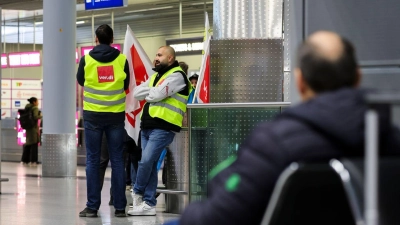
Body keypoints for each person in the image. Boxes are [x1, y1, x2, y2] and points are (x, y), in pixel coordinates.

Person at [165, 31, 400, 225]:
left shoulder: (274, 144)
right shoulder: (389, 139)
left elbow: (216, 217)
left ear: (300, 82)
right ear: (357, 78)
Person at [128, 46, 192, 216]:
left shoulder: (177, 76)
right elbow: (137, 92)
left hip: (164, 127)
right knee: (149, 164)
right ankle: (149, 204)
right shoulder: (157, 76)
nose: (155, 58)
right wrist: (153, 91)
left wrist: (152, 92)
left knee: (146, 161)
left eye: (159, 55)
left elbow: (154, 96)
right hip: (147, 126)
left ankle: (137, 190)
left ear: (170, 58)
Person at [76, 24, 130, 218]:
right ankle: (120, 207)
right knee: (117, 161)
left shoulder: (86, 59)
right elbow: (126, 84)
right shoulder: (122, 60)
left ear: (96, 39)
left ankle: (92, 207)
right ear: (112, 39)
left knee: (92, 160)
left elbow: (81, 81)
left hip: (92, 116)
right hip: (115, 115)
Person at [21, 97, 42, 166]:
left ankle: (24, 160)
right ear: (34, 102)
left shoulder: (27, 107)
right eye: (37, 101)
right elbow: (36, 117)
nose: (38, 103)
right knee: (34, 144)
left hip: (28, 128)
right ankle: (33, 161)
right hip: (33, 128)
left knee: (28, 144)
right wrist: (41, 115)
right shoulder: (34, 108)